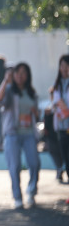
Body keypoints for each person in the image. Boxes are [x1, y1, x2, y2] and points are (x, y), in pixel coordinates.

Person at [0, 62, 40, 209]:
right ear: (13, 75)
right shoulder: (9, 90)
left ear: (28, 75)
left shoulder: (31, 92)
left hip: (29, 133)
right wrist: (5, 81)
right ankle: (17, 197)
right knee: (14, 166)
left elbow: (36, 114)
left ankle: (31, 191)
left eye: (23, 73)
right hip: (12, 133)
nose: (20, 76)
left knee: (34, 164)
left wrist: (36, 113)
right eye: (18, 73)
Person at [51, 54, 69, 183]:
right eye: (62, 65)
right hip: (62, 125)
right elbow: (54, 103)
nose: (64, 68)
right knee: (65, 154)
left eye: (67, 65)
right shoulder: (57, 84)